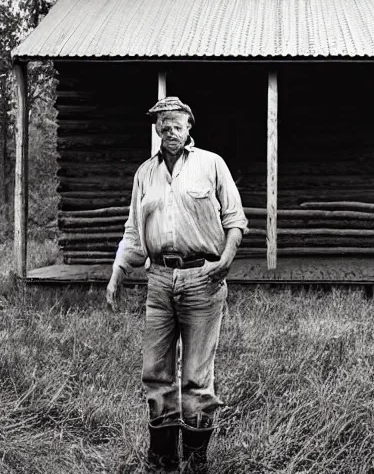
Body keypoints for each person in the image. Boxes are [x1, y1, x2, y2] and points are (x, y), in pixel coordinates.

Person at [106, 96, 248, 473]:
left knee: (197, 377)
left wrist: (226, 259)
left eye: (177, 125)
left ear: (189, 128)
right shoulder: (144, 174)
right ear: (156, 130)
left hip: (203, 278)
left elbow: (235, 220)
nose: (171, 131)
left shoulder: (211, 164)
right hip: (159, 280)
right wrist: (119, 270)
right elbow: (134, 232)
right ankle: (163, 460)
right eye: (164, 125)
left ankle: (196, 461)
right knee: (156, 372)